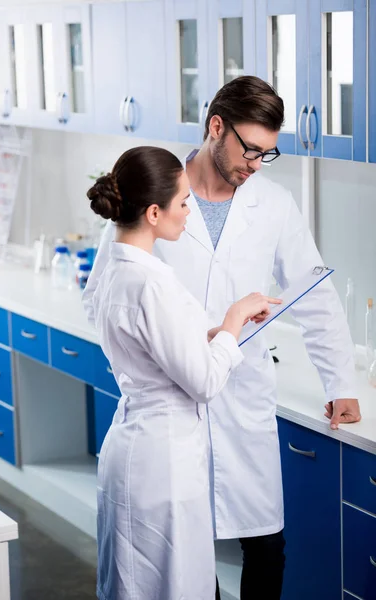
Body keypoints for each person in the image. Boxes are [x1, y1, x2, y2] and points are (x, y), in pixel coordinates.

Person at [84, 76, 361, 600]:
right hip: (172, 407)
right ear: (217, 127)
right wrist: (169, 355)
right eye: (250, 149)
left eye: (267, 154)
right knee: (187, 557)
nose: (255, 164)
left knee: (266, 547)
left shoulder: (273, 203)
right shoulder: (156, 193)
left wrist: (339, 381)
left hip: (243, 395)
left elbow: (313, 292)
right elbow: (108, 291)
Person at [87, 146, 281, 600]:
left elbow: (155, 349)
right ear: (154, 213)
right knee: (171, 587)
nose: (189, 210)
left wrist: (214, 335)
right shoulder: (151, 283)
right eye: (182, 202)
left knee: (136, 584)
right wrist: (233, 321)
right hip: (162, 462)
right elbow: (204, 382)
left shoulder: (118, 269)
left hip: (135, 448)